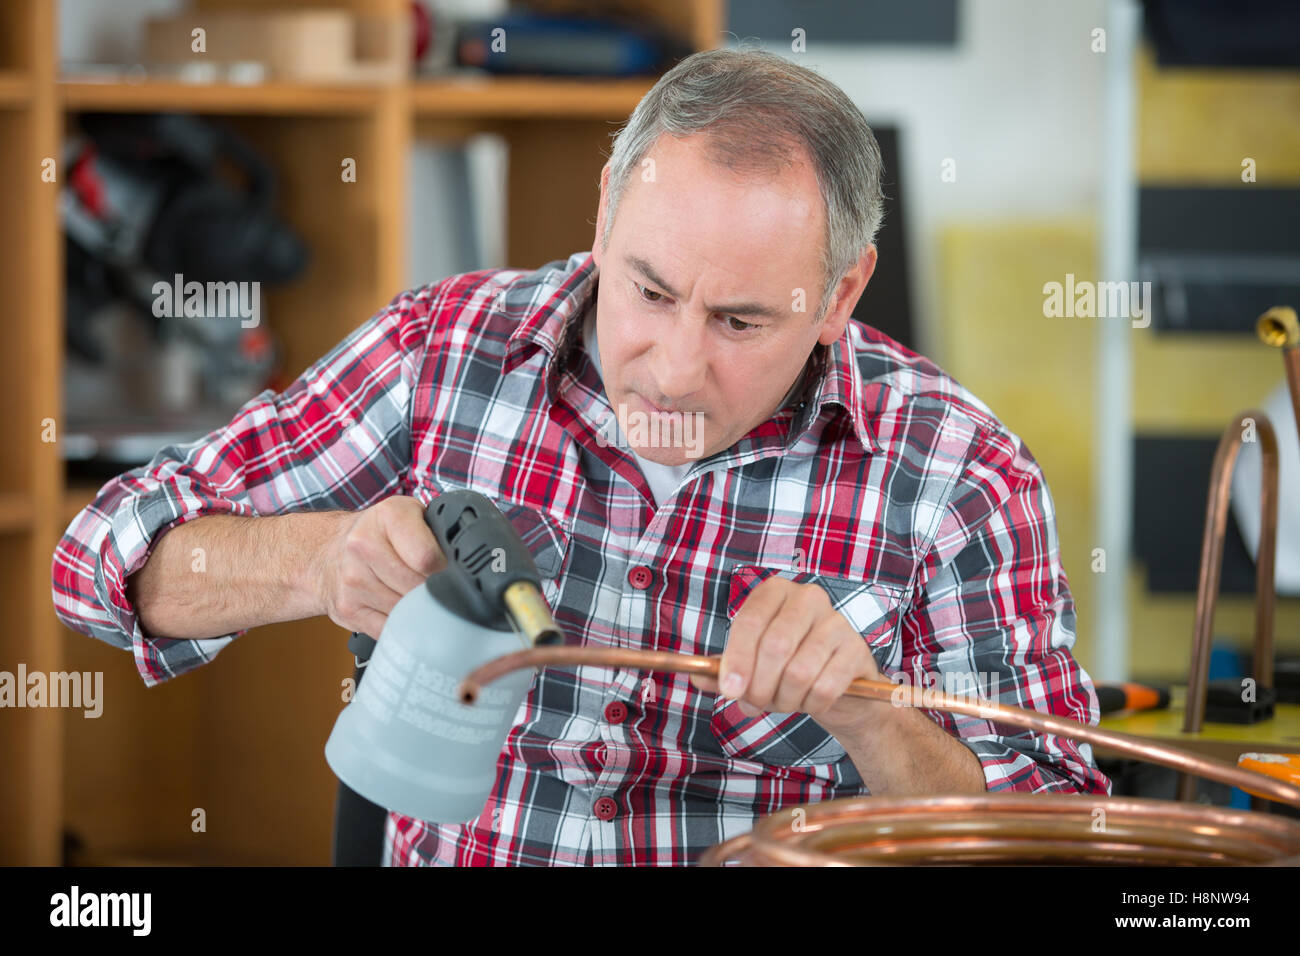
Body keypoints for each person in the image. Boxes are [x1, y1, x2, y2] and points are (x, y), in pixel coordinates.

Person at [52, 47, 1111, 866]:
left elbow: (1045, 839)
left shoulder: (958, 475)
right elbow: (98, 565)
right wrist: (318, 561)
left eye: (741, 321)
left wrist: (866, 711)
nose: (675, 366)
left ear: (839, 293)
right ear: (605, 209)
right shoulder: (445, 353)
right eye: (648, 291)